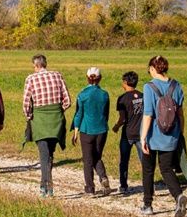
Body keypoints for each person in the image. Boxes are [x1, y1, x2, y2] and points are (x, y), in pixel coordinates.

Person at [140, 56, 187, 216]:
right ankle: (178, 195)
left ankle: (148, 205)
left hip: (153, 136)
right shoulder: (176, 85)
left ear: (153, 69)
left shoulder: (149, 87)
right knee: (166, 169)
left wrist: (143, 137)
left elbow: (148, 114)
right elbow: (180, 114)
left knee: (148, 170)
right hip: (171, 135)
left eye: (149, 70)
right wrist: (180, 133)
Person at [22, 54, 71, 198]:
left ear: (36, 65)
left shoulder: (30, 78)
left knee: (43, 155)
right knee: (50, 154)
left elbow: (26, 104)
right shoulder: (58, 75)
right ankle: (45, 185)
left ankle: (46, 186)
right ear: (45, 63)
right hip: (56, 121)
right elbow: (67, 101)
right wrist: (57, 111)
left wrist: (30, 116)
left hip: (40, 120)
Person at [72, 67, 111, 196]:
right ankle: (103, 177)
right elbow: (106, 114)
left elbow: (79, 114)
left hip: (86, 130)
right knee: (97, 156)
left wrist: (75, 132)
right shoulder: (105, 94)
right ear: (100, 78)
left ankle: (90, 188)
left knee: (88, 160)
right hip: (102, 130)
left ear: (87, 78)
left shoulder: (82, 94)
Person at [112, 71, 143, 194]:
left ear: (125, 82)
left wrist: (116, 126)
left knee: (124, 161)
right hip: (142, 134)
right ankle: (149, 185)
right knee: (145, 162)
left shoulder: (122, 98)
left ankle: (123, 185)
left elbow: (122, 118)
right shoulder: (143, 95)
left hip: (127, 134)